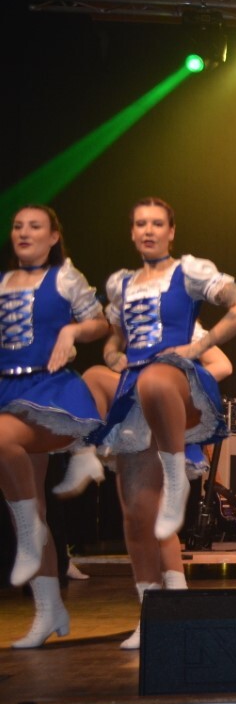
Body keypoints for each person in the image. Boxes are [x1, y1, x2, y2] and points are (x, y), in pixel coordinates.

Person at [93, 197, 236, 648]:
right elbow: (113, 342)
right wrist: (114, 357)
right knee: (138, 516)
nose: (148, 230)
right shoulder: (122, 287)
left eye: (157, 223)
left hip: (174, 392)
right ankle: (155, 613)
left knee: (157, 381)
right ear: (131, 232)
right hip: (135, 400)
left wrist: (193, 351)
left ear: (171, 231)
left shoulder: (187, 279)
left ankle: (174, 475)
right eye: (140, 223)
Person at [2, 205, 108, 648]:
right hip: (7, 389)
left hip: (49, 392)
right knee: (32, 504)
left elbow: (100, 322)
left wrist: (72, 332)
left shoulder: (64, 277)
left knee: (2, 443)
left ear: (53, 237)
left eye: (35, 226)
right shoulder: (3, 283)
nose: (24, 233)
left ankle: (31, 533)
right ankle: (49, 610)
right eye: (18, 226)